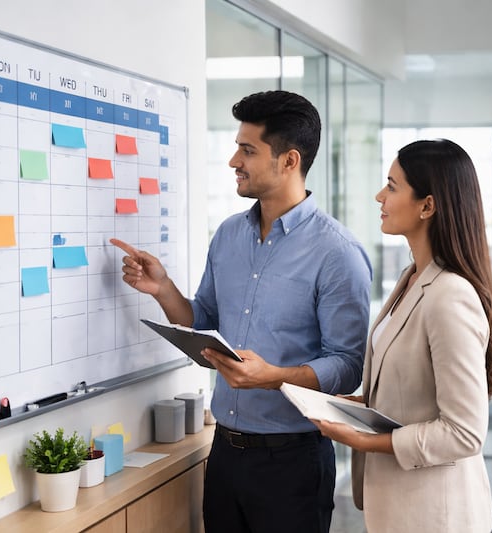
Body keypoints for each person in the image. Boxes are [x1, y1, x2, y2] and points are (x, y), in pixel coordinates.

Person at [111, 90, 372, 533]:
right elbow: (204, 320)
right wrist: (163, 289)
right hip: (225, 455)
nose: (234, 160)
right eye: (237, 147)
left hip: (292, 460)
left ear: (290, 161)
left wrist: (275, 376)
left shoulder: (337, 252)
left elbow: (348, 367)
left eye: (247, 150)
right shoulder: (229, 235)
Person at [311, 139, 492, 533]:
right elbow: (407, 394)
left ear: (427, 206)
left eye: (392, 186)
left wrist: (364, 441)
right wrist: (350, 405)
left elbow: (464, 433)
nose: (379, 195)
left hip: (437, 515)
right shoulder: (411, 279)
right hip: (399, 506)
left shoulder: (450, 295)